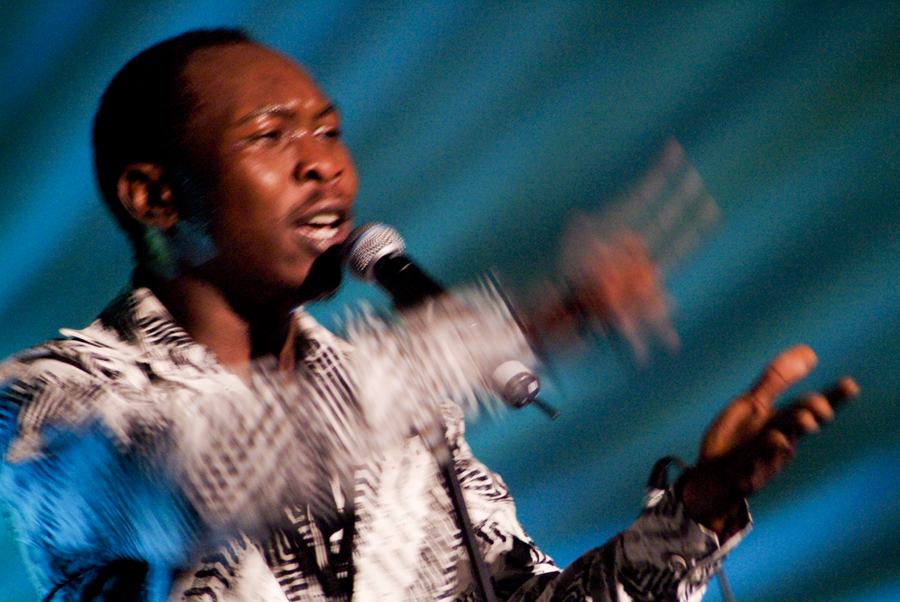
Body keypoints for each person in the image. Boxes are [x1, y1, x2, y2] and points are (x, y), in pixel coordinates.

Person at [0, 28, 856, 602]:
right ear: (152, 195)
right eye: (270, 136)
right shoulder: (48, 401)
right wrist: (518, 323)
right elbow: (208, 475)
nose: (324, 168)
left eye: (329, 132)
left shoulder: (408, 414)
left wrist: (697, 514)